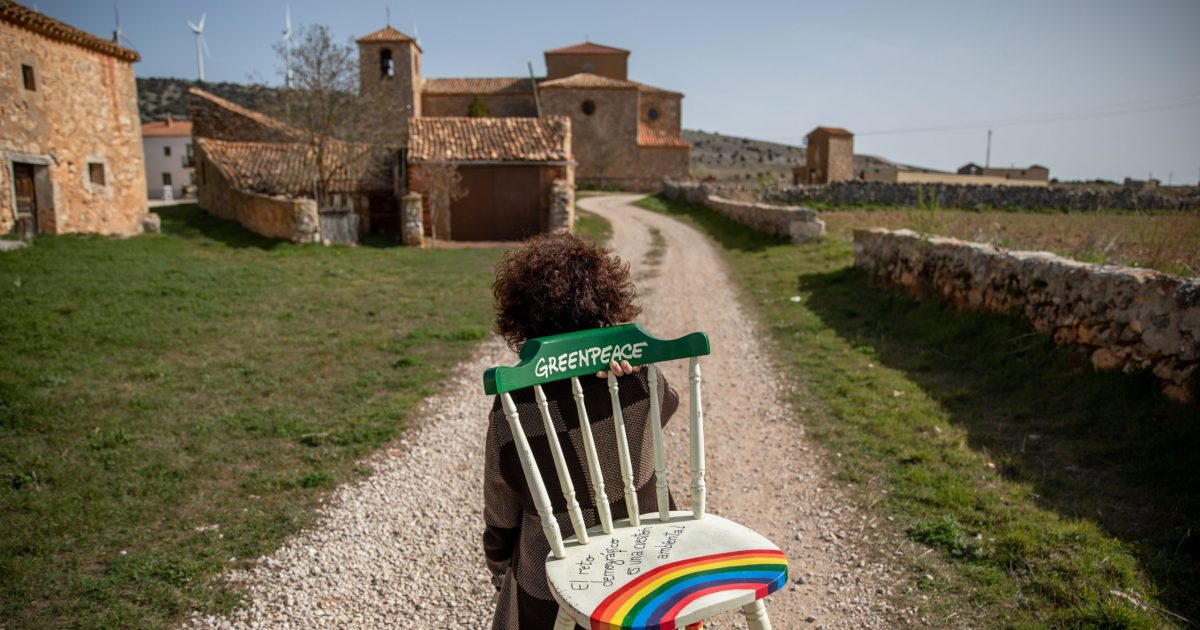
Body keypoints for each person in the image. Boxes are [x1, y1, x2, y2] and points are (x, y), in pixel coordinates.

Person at [483, 232, 681, 630]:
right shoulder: (638, 382)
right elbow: (670, 402)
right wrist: (635, 370)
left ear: (523, 318)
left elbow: (501, 513)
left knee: (521, 574)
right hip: (640, 564)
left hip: (555, 582)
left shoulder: (515, 407)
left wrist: (498, 564)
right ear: (607, 304)